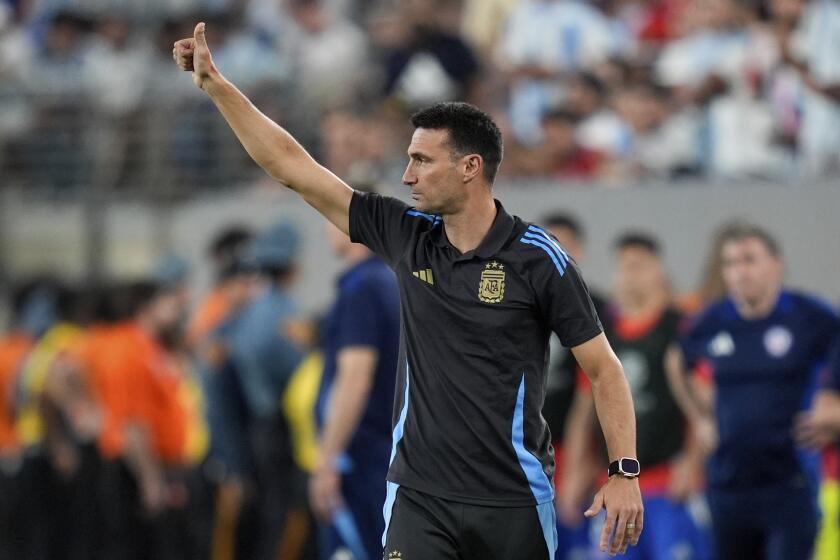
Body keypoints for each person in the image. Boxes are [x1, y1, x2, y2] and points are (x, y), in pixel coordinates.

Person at [172, 24, 643, 559]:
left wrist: (624, 470)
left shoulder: (539, 259)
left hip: (512, 498)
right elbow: (293, 169)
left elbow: (604, 369)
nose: (406, 174)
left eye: (422, 160)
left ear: (470, 168)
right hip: (419, 497)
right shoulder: (406, 236)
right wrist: (216, 86)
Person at [667, 222, 840, 560]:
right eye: (730, 263)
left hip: (790, 483)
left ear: (776, 265)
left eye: (749, 260)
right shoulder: (714, 319)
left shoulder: (806, 315)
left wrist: (832, 396)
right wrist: (700, 417)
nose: (738, 271)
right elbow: (676, 360)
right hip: (728, 485)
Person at [562, 233, 711, 560]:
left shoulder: (680, 328)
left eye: (639, 266)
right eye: (624, 267)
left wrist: (692, 461)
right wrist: (574, 471)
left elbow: (700, 408)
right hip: (614, 485)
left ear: (658, 271)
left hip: (668, 485)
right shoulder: (603, 334)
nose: (630, 275)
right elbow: (584, 410)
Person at [310, 197, 400, 560]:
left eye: (329, 215)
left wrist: (328, 459)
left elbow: (355, 378)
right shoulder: (391, 281)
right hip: (388, 453)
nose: (324, 227)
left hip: (359, 458)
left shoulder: (361, 289)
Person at [539, 212, 610, 560]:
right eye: (547, 244)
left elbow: (596, 391)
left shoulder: (597, 307)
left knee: (573, 539)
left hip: (571, 452)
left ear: (578, 251)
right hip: (523, 449)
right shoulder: (519, 303)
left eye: (564, 246)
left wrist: (583, 464)